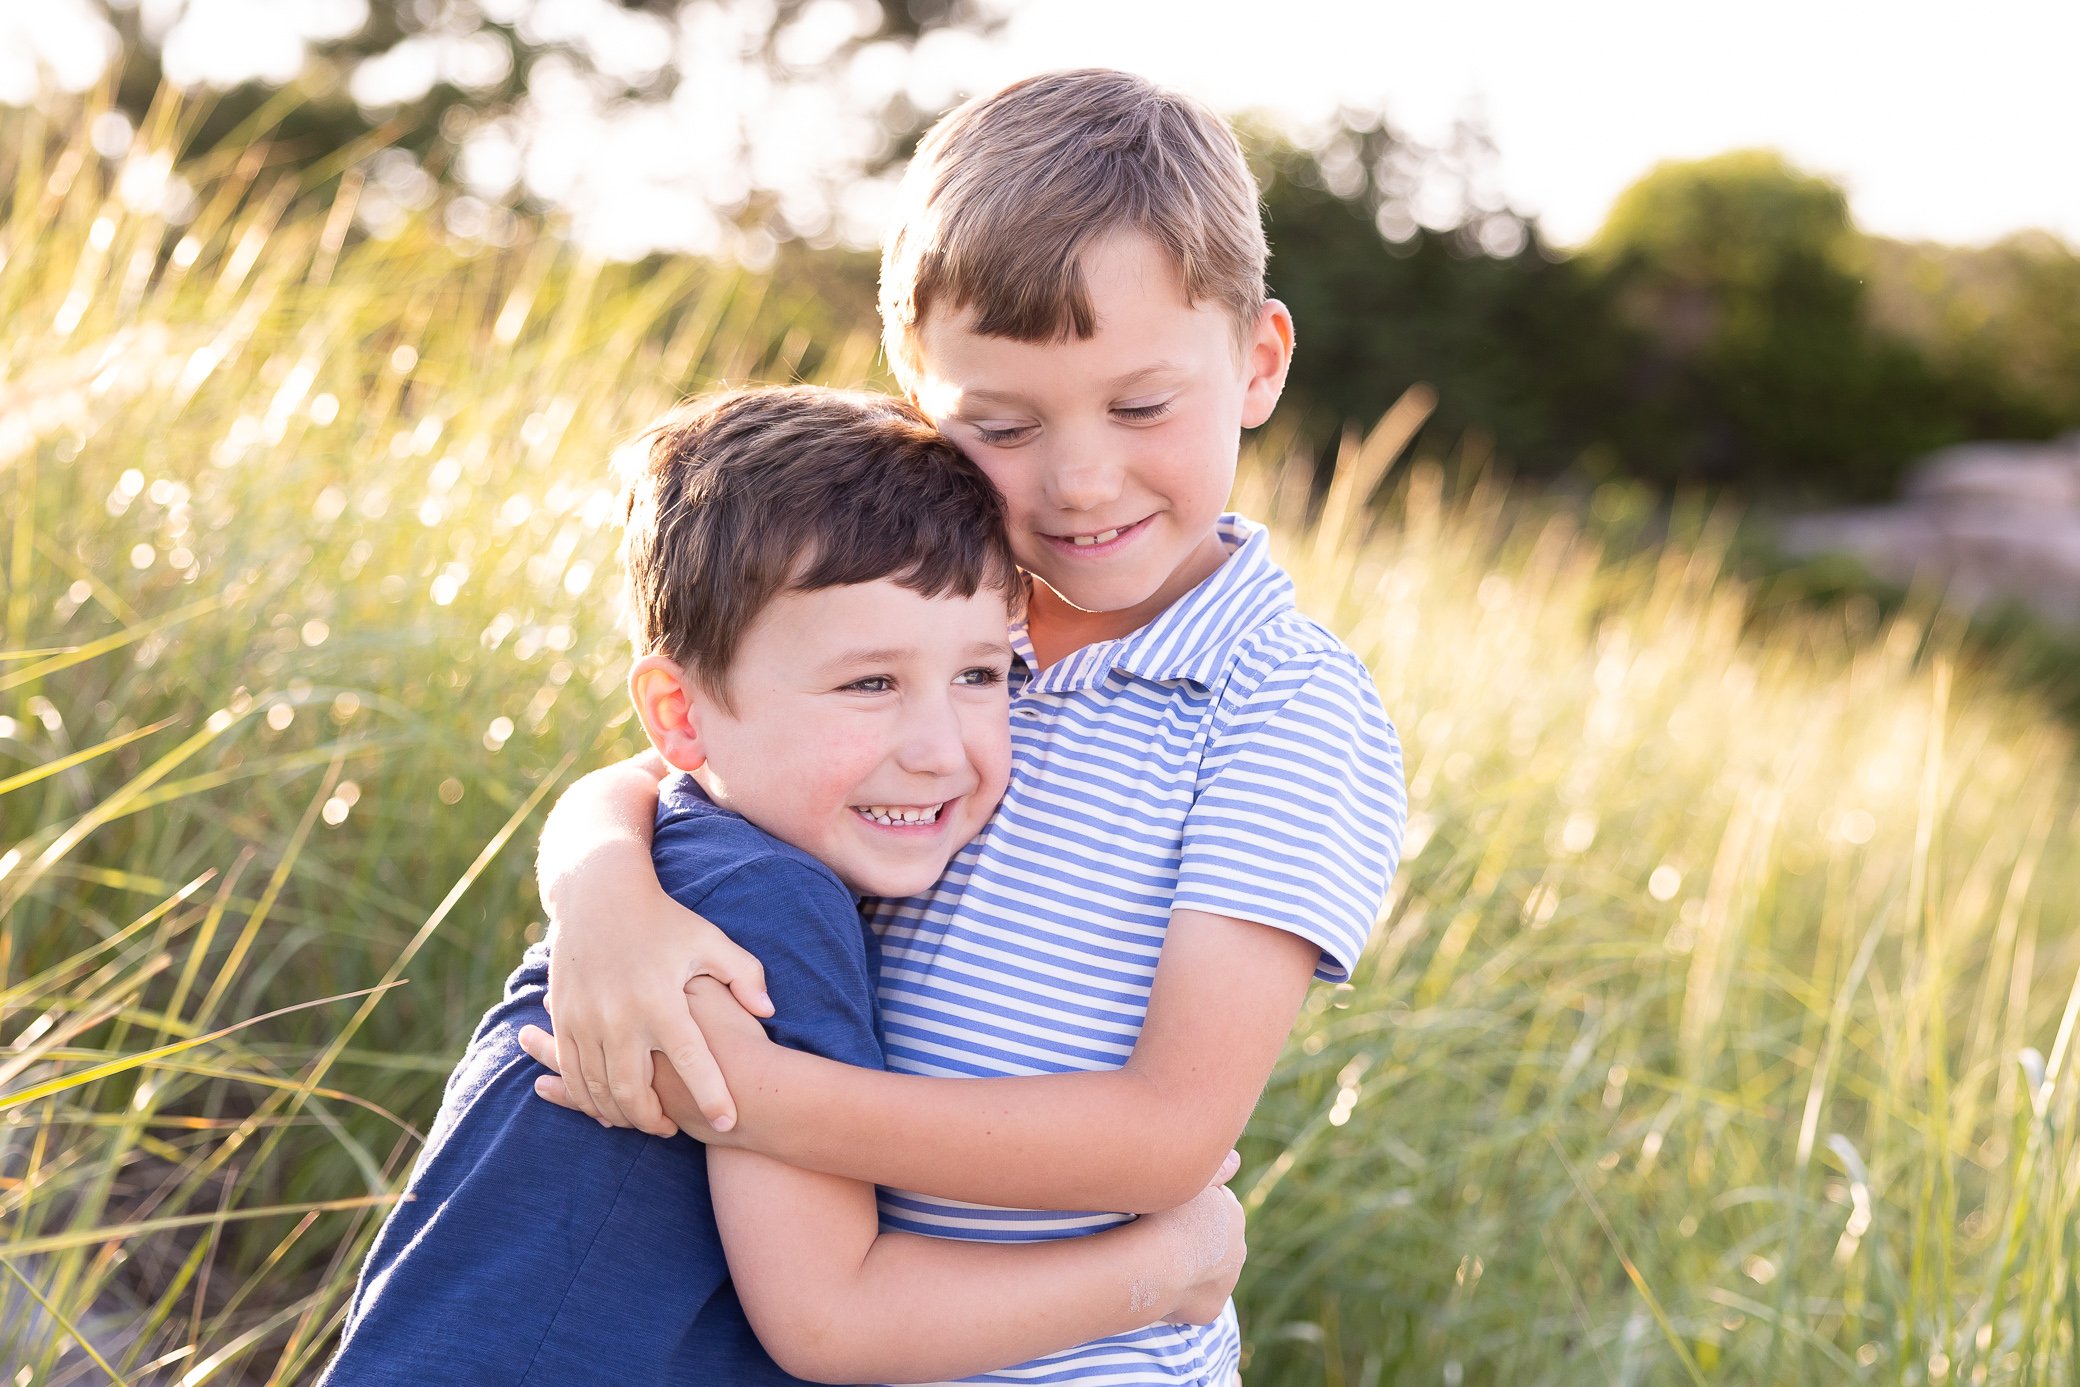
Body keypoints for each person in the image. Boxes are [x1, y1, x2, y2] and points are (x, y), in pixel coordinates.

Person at [522, 69, 1407, 1385]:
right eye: (1000, 423)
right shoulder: (939, 614)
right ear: (917, 403)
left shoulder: (1282, 705)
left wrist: (738, 1096)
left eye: (1142, 405)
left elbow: (1166, 1134)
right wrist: (598, 891)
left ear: (1259, 361)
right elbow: (684, 760)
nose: (1081, 478)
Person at [320, 386, 1247, 1386]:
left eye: (982, 675)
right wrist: (1169, 1265)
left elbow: (635, 782)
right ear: (681, 711)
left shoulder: (699, 855)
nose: (939, 750)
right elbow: (832, 1319)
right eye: (869, 683)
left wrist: (599, 873)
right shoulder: (766, 904)